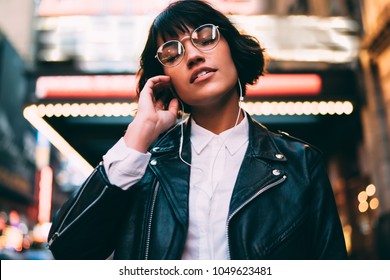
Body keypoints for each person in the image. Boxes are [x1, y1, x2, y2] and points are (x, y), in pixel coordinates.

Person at [47, 0, 348, 260]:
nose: (192, 55)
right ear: (164, 78)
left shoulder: (301, 164)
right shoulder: (142, 168)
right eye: (171, 52)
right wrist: (137, 137)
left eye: (205, 37)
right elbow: (68, 249)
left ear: (232, 46)